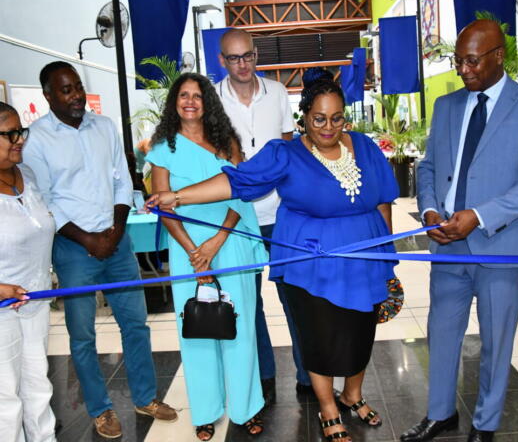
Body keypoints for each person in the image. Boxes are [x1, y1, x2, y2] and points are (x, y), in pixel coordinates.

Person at [148, 68, 399, 442]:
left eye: (336, 118)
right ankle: (328, 409)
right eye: (319, 119)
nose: (328, 127)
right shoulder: (286, 153)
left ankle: (353, 394)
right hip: (309, 262)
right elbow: (237, 180)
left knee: (360, 332)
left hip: (364, 260)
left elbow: (383, 200)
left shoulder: (363, 146)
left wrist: (385, 255)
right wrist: (177, 197)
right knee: (319, 335)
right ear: (303, 117)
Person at [404, 20, 518, 442]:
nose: (463, 70)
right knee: (442, 335)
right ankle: (440, 414)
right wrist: (429, 210)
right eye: (458, 62)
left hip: (501, 245)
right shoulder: (447, 106)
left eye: (471, 61)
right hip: (448, 244)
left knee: (496, 342)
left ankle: (485, 425)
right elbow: (429, 167)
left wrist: (481, 215)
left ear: (498, 56)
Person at [23, 61, 177, 439]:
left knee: (135, 324)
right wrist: (90, 240)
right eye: (66, 90)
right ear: (48, 96)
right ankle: (100, 409)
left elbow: (122, 181)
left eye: (77, 86)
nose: (76, 95)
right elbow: (45, 201)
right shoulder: (37, 140)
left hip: (117, 240)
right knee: (82, 335)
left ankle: (145, 397)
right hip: (74, 249)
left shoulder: (104, 126)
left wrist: (116, 230)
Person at [145, 72, 267, 441]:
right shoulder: (162, 148)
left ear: (207, 102)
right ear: (174, 102)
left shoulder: (226, 142)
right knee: (197, 330)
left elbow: (240, 193)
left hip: (230, 240)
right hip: (188, 249)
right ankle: (205, 411)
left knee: (239, 327)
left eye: (197, 95)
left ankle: (246, 408)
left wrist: (216, 242)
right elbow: (164, 208)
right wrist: (194, 252)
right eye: (183, 95)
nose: (190, 101)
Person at [214, 28, 310, 402]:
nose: (243, 65)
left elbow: (288, 149)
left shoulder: (278, 92)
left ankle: (308, 375)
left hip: (282, 215)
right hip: (237, 216)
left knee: (295, 297)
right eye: (234, 58)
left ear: (256, 54)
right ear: (222, 60)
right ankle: (263, 376)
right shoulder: (212, 99)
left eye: (248, 56)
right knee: (247, 302)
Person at [0, 102, 57, 442]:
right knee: (6, 401)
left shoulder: (28, 175)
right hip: (3, 310)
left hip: (35, 301)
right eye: (10, 134)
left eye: (21, 131)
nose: (20, 139)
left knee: (38, 387)